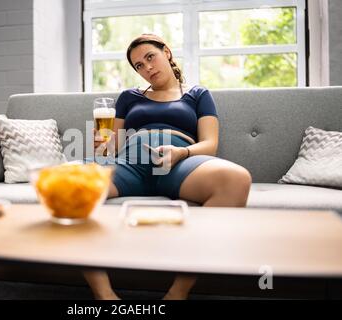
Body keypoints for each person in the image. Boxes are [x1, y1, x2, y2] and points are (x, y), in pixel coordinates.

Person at [84, 34, 252, 300]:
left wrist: (181, 152)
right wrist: (101, 146)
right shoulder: (129, 97)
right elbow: (111, 148)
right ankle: (104, 294)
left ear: (167, 53)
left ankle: (178, 292)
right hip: (130, 163)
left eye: (150, 57)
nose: (147, 67)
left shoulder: (198, 94)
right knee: (74, 181)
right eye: (138, 65)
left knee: (236, 179)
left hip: (179, 163)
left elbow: (210, 144)